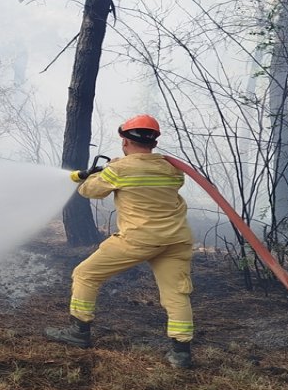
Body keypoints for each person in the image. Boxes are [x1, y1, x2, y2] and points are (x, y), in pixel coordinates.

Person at [45, 114, 197, 369]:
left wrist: (94, 176)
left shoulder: (119, 169)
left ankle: (78, 332)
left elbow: (89, 191)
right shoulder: (171, 169)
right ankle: (181, 354)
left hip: (138, 239)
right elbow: (158, 181)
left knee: (85, 274)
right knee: (176, 294)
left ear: (125, 141)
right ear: (154, 143)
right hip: (175, 240)